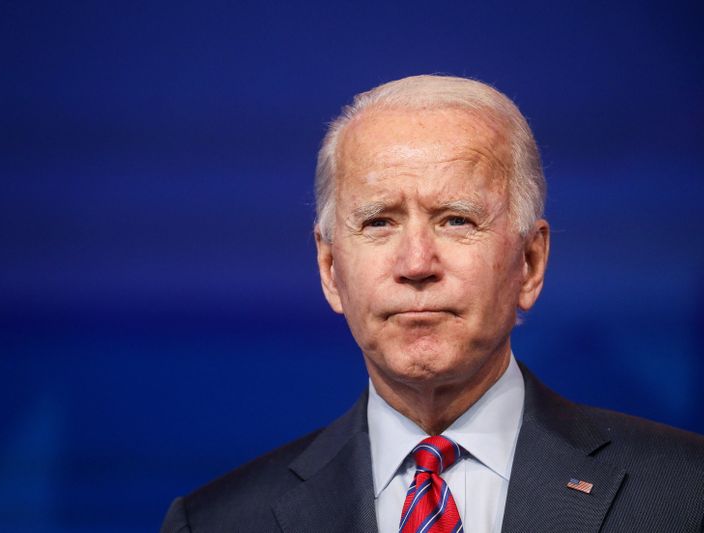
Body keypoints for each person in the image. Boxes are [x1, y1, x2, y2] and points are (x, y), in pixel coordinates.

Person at [161, 75, 704, 532]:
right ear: (330, 270)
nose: (417, 262)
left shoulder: (686, 493)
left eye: (456, 220)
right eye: (379, 222)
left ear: (530, 264)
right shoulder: (217, 522)